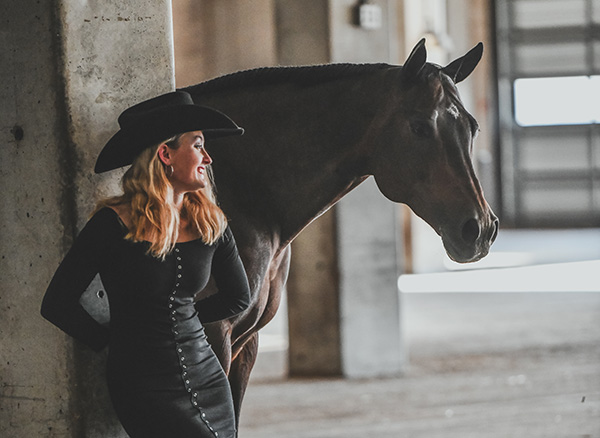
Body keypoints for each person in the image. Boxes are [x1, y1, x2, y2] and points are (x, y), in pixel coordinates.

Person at [41, 91, 251, 438]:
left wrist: (185, 318)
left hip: (208, 377)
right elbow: (56, 303)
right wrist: (114, 340)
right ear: (165, 154)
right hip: (142, 385)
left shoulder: (210, 222)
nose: (208, 158)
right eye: (198, 145)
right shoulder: (111, 224)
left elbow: (238, 298)